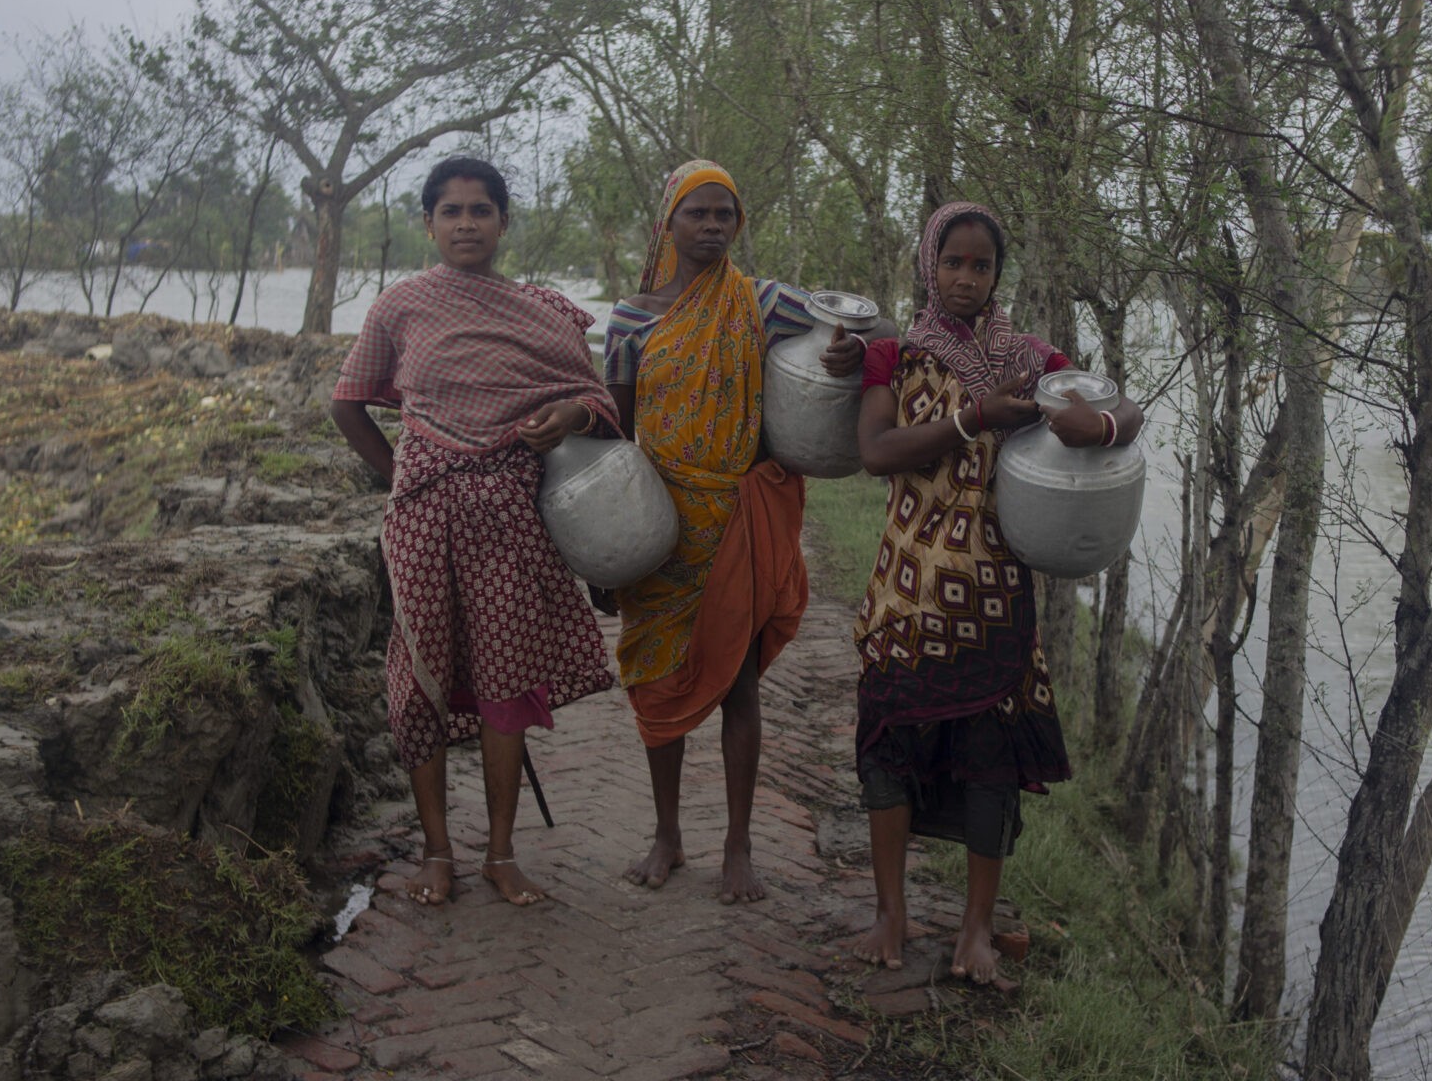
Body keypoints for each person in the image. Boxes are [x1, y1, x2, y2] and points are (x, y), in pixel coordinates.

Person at [851, 200, 1143, 983]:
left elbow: (1125, 405)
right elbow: (878, 452)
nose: (966, 279)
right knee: (888, 744)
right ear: (928, 265)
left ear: (998, 274)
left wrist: (1105, 431)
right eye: (953, 263)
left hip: (992, 589)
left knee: (989, 760)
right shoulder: (895, 354)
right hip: (907, 587)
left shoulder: (1034, 359)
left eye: (982, 266)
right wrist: (972, 417)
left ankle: (975, 930)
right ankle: (891, 913)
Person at [330, 155, 618, 908]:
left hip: (513, 522)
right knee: (417, 685)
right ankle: (436, 851)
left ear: (502, 222)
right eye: (450, 212)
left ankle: (498, 852)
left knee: (505, 679)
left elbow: (597, 398)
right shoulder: (401, 306)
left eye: (480, 210)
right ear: (427, 224)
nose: (465, 224)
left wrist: (571, 417)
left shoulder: (544, 313)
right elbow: (348, 402)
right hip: (423, 520)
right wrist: (401, 475)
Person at [604, 159, 880, 903]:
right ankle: (667, 833)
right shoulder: (632, 320)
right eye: (699, 213)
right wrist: (606, 550)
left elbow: (861, 330)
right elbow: (614, 434)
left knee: (739, 685)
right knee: (656, 681)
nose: (714, 227)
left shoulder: (764, 305)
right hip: (661, 529)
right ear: (670, 223)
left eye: (727, 215)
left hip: (739, 521)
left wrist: (850, 351)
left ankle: (738, 845)